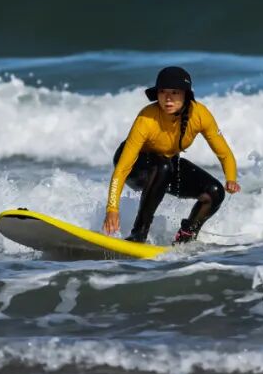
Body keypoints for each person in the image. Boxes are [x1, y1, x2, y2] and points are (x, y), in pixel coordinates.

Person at [103, 66, 240, 244]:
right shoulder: (147, 118)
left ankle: (185, 237)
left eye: (175, 92)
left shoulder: (200, 115)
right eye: (162, 92)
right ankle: (139, 234)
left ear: (185, 95)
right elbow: (122, 168)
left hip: (166, 164)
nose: (168, 98)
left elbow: (225, 154)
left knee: (214, 192)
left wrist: (231, 178)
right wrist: (112, 208)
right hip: (136, 166)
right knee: (163, 166)